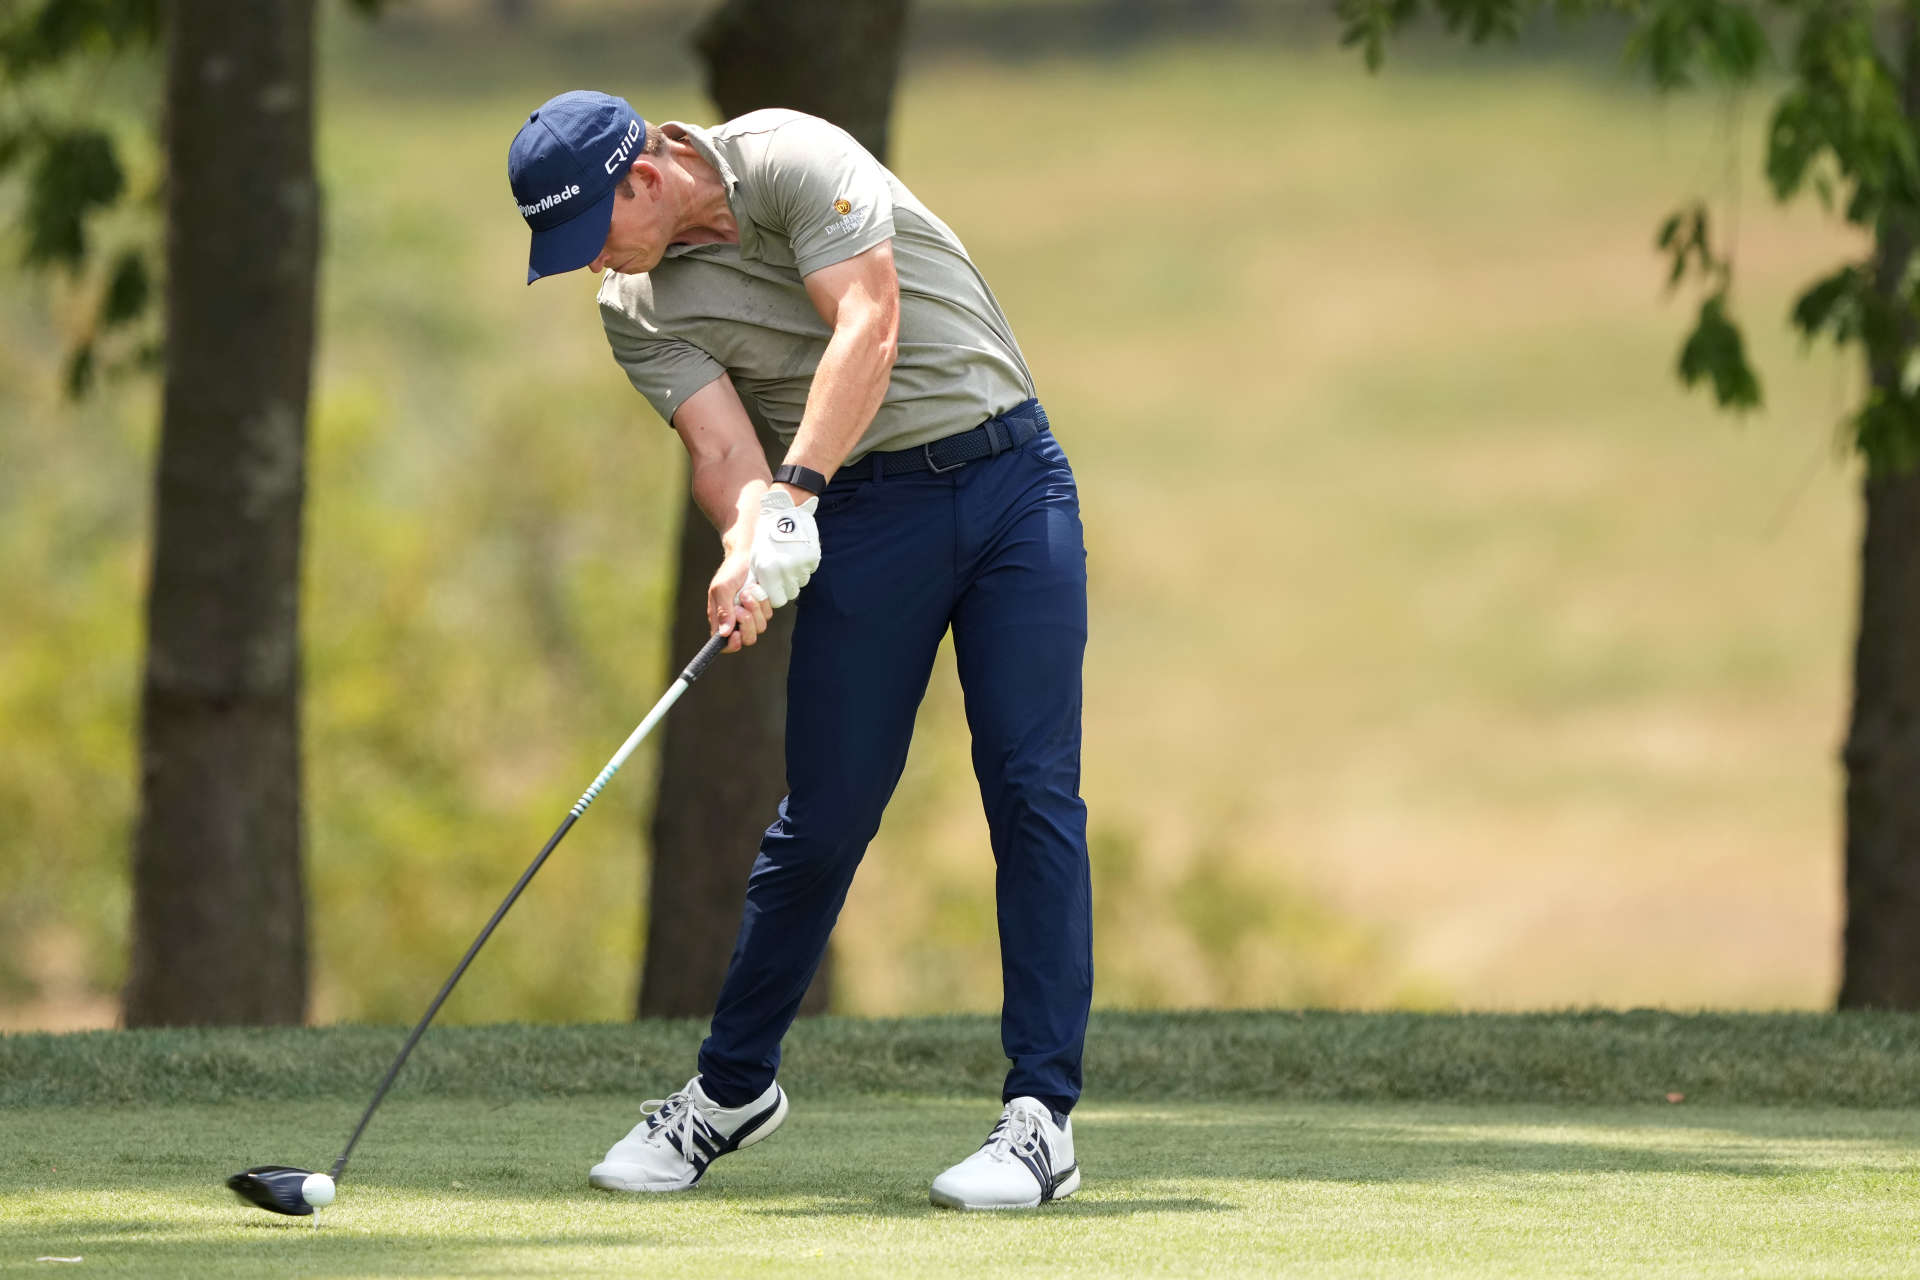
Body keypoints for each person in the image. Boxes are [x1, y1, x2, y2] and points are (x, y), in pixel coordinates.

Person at [507, 90, 1091, 1211]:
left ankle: (1040, 1121)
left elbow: (870, 320)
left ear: (644, 178)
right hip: (867, 516)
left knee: (1031, 790)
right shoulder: (633, 305)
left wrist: (792, 498)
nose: (589, 264)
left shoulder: (790, 155)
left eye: (590, 234)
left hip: (1012, 484)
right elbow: (723, 449)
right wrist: (747, 548)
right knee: (822, 818)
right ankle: (730, 1091)